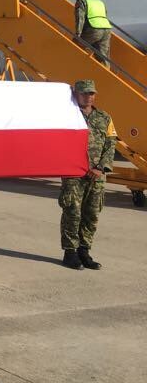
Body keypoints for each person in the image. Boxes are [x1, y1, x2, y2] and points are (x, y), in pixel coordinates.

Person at [59, 80, 116, 270]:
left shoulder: (104, 117)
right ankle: (70, 253)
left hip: (97, 174)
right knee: (72, 212)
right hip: (73, 173)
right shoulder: (67, 116)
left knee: (92, 214)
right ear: (76, 94)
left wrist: (101, 167)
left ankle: (84, 251)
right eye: (84, 93)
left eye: (91, 93)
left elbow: (111, 144)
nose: (88, 97)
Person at [73, 0, 112, 67]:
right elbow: (105, 14)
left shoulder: (82, 1)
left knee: (75, 45)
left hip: (94, 29)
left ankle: (76, 66)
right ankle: (105, 72)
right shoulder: (99, 1)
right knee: (103, 56)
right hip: (106, 29)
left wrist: (78, 34)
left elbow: (80, 18)